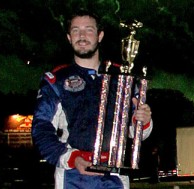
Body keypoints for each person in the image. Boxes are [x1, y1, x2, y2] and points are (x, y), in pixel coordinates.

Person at [31, 9, 153, 189]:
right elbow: (41, 129)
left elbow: (136, 133)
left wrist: (144, 120)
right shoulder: (56, 80)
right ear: (68, 37)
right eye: (75, 30)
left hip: (115, 176)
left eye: (88, 29)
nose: (82, 36)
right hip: (73, 176)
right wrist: (71, 158)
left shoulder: (122, 78)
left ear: (100, 35)